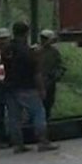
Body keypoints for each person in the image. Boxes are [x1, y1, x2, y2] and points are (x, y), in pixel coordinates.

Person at [3, 22, 56, 153]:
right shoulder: (29, 52)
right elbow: (36, 72)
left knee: (14, 117)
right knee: (38, 112)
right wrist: (42, 89)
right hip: (27, 87)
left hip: (10, 86)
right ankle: (43, 142)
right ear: (26, 33)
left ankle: (18, 145)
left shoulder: (7, 49)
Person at [37, 30, 65, 118]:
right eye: (42, 38)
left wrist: (56, 76)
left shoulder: (54, 52)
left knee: (48, 104)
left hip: (50, 82)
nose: (43, 40)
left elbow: (60, 66)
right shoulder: (35, 50)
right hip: (37, 82)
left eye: (46, 39)